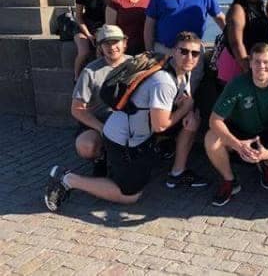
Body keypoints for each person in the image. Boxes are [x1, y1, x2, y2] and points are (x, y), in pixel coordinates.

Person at [44, 32, 208, 212]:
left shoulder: (181, 72)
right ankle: (68, 179)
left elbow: (182, 97)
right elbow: (160, 125)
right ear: (173, 52)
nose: (189, 57)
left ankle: (148, 169)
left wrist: (188, 109)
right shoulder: (163, 82)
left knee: (192, 122)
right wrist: (186, 108)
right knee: (130, 195)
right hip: (122, 141)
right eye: (183, 51)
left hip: (139, 135)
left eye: (195, 53)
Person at [206, 43, 268, 207]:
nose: (261, 66)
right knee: (211, 139)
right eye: (257, 62)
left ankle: (265, 164)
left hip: (266, 134)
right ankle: (229, 181)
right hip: (238, 132)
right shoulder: (237, 84)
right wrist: (238, 145)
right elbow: (214, 120)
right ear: (250, 63)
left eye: (266, 62)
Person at [144, 0, 226, 88]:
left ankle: (188, 109)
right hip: (164, 51)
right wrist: (149, 53)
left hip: (192, 52)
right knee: (162, 89)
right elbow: (149, 25)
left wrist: (234, 42)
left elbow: (219, 18)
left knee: (191, 89)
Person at [72, 25, 130, 177]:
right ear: (100, 47)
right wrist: (102, 128)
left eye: (116, 42)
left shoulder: (136, 64)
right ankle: (100, 158)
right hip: (99, 122)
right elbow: (77, 109)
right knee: (86, 146)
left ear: (124, 43)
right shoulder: (90, 72)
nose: (112, 47)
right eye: (106, 43)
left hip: (128, 120)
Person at [216, 0, 268, 85]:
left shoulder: (258, 8)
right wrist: (248, 70)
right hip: (237, 65)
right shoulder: (238, 9)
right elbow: (236, 43)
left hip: (253, 63)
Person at [73, 0, 117, 80]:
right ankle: (76, 77)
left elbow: (116, 7)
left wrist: (104, 30)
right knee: (84, 51)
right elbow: (79, 17)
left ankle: (100, 79)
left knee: (101, 50)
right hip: (86, 27)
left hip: (105, 25)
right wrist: (88, 35)